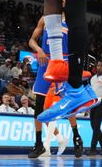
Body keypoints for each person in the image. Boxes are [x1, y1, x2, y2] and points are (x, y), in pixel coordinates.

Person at [27, 15, 82, 158]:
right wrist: (38, 49)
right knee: (39, 105)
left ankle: (76, 137)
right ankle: (38, 144)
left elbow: (78, 44)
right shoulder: (45, 18)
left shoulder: (71, 19)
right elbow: (32, 40)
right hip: (45, 61)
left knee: (68, 102)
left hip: (63, 60)